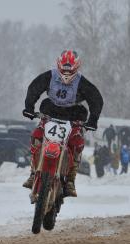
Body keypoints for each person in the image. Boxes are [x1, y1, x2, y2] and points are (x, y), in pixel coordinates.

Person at [22, 50, 103, 196]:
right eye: (64, 70)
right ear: (58, 66)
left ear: (76, 68)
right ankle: (34, 172)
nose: (66, 75)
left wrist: (93, 120)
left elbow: (96, 99)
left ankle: (71, 179)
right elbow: (34, 88)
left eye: (70, 70)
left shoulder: (82, 82)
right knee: (36, 135)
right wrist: (29, 108)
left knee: (77, 143)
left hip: (73, 117)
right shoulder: (49, 76)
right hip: (50, 113)